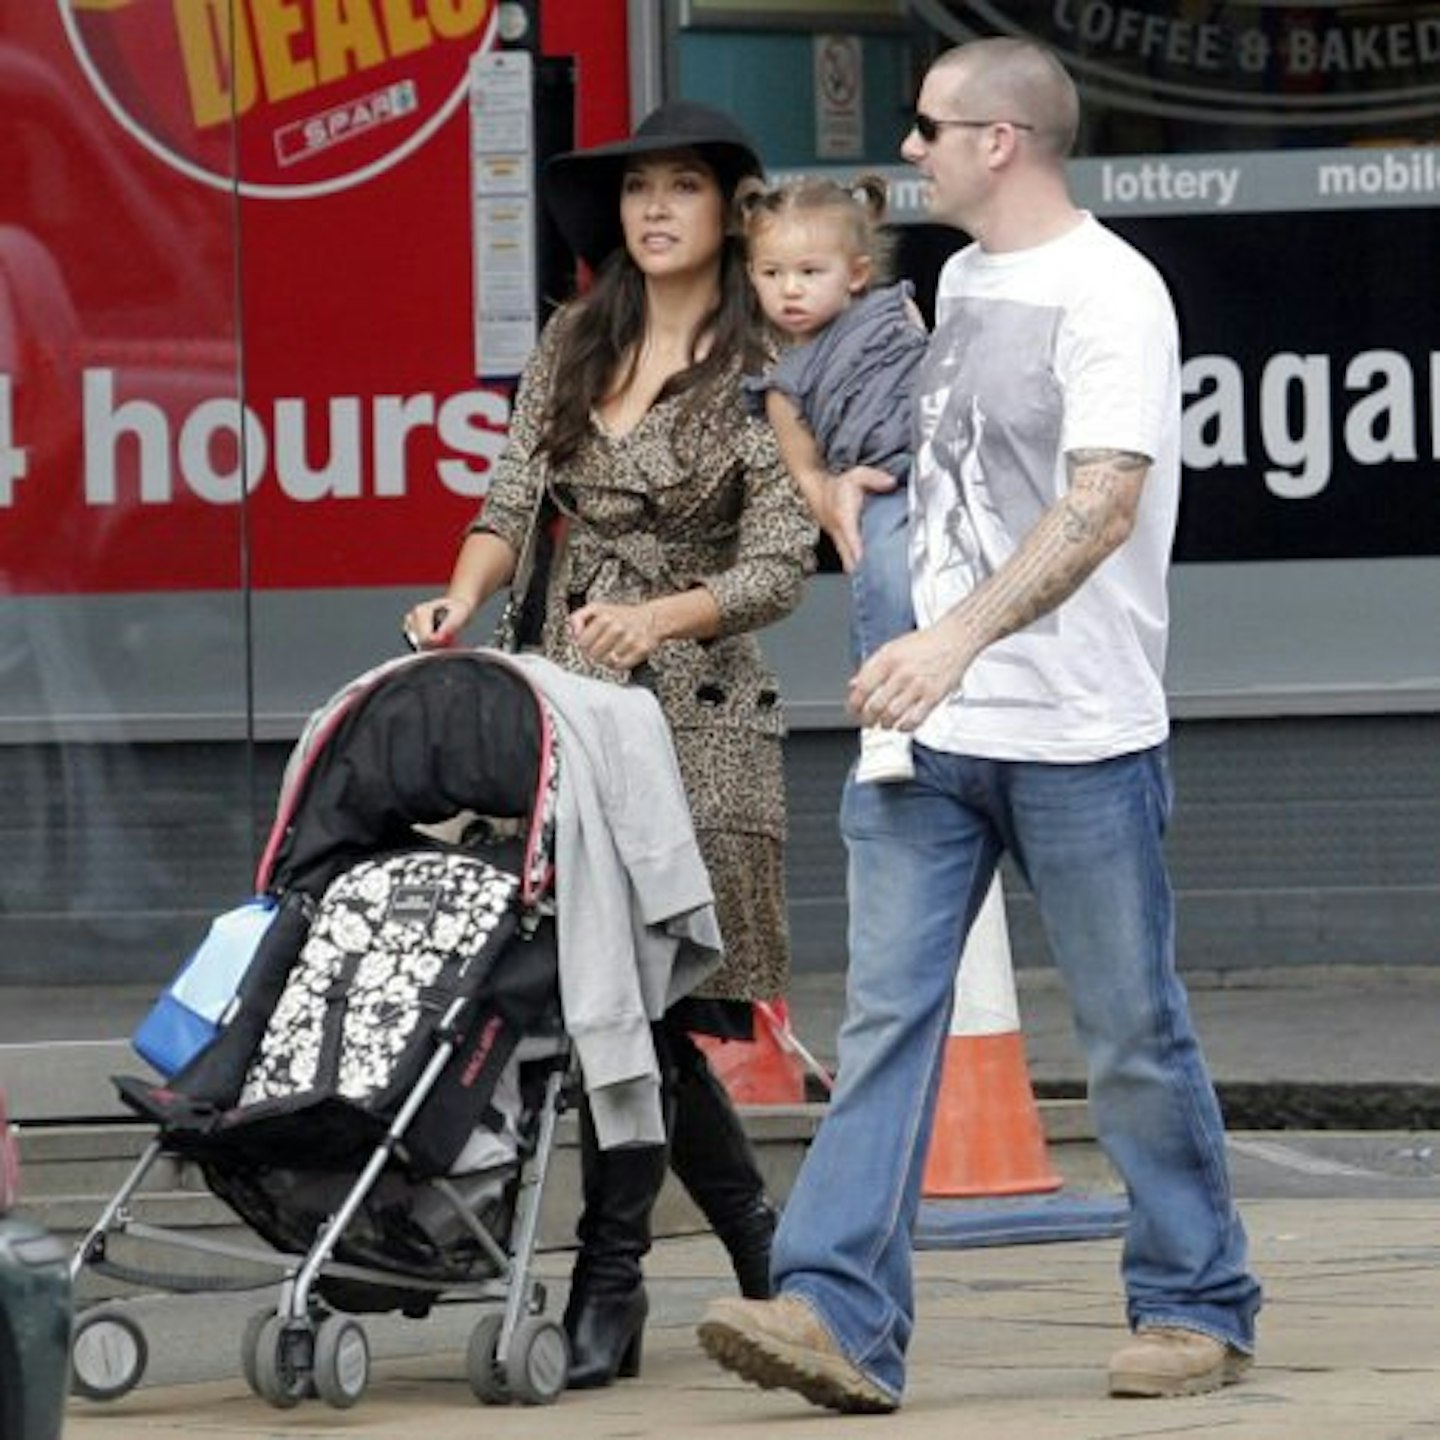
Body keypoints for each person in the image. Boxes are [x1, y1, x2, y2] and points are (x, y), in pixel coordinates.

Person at [698, 38, 1262, 1412]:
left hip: (1075, 730)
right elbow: (923, 470)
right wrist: (834, 495)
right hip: (924, 735)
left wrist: (951, 638)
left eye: (932, 127)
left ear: (1000, 141)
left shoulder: (1111, 292)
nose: (912, 149)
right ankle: (835, 1314)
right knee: (889, 1019)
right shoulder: (954, 283)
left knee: (1129, 1028)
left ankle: (1195, 1299)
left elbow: (1102, 502)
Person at [404, 101, 816, 1390]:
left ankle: (616, 1280)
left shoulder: (767, 361)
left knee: (641, 1006)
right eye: (638, 188)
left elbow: (781, 564)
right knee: (615, 1009)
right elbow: (510, 500)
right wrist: (461, 598)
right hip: (570, 711)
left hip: (696, 714)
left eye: (683, 186)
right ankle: (762, 1258)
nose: (653, 209)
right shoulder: (576, 342)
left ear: (726, 212)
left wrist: (656, 615)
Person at [736, 174, 929, 784]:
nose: (789, 289)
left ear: (855, 273)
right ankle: (883, 721)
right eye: (771, 274)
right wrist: (840, 499)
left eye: (809, 272)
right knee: (885, 579)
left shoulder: (895, 309)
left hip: (949, 469)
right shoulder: (782, 382)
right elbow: (810, 476)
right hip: (881, 488)